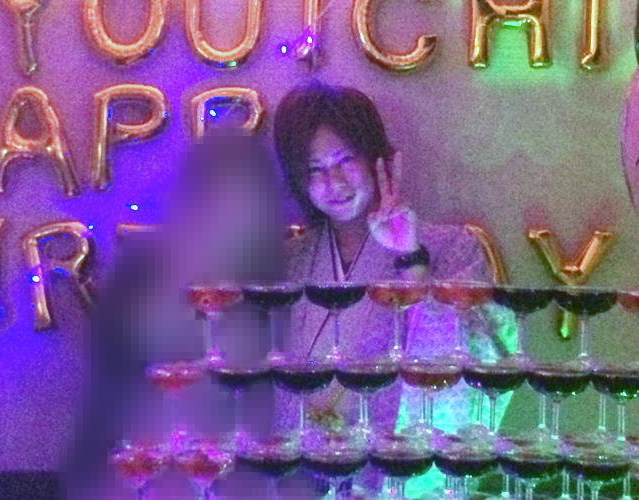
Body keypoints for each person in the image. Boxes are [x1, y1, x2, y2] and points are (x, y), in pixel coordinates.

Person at [273, 82, 517, 498]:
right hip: (300, 479)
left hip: (400, 483)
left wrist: (410, 259)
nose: (333, 182)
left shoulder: (450, 248)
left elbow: (482, 361)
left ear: (376, 159)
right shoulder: (292, 260)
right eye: (314, 169)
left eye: (345, 160)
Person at [59, 130, 310, 499]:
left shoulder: (274, 280)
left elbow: (270, 403)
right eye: (221, 199)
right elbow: (112, 375)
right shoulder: (142, 269)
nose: (235, 216)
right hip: (138, 471)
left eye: (247, 202)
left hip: (236, 479)